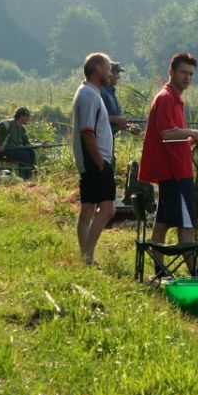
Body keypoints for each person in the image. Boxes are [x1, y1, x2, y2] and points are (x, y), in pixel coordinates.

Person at [138, 52, 198, 274]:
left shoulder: (175, 100)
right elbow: (166, 134)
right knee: (187, 226)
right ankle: (196, 276)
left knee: (163, 224)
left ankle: (159, 270)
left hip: (172, 171)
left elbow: (173, 140)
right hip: (176, 174)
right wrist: (192, 131)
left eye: (191, 74)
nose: (187, 78)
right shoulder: (166, 98)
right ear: (172, 72)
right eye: (183, 73)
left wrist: (190, 143)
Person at [72, 52, 116, 265]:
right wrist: (100, 162)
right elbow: (87, 132)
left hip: (90, 160)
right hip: (96, 160)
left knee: (89, 208)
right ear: (97, 69)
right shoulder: (89, 95)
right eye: (108, 68)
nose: (110, 73)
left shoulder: (89, 92)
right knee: (107, 209)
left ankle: (85, 256)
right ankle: (88, 256)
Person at [0, 106, 37, 180]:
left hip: (14, 150)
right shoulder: (7, 123)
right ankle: (23, 175)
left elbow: (27, 145)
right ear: (22, 116)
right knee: (23, 154)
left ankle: (28, 174)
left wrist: (41, 145)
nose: (29, 119)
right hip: (1, 151)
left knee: (31, 152)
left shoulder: (22, 129)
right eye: (28, 117)